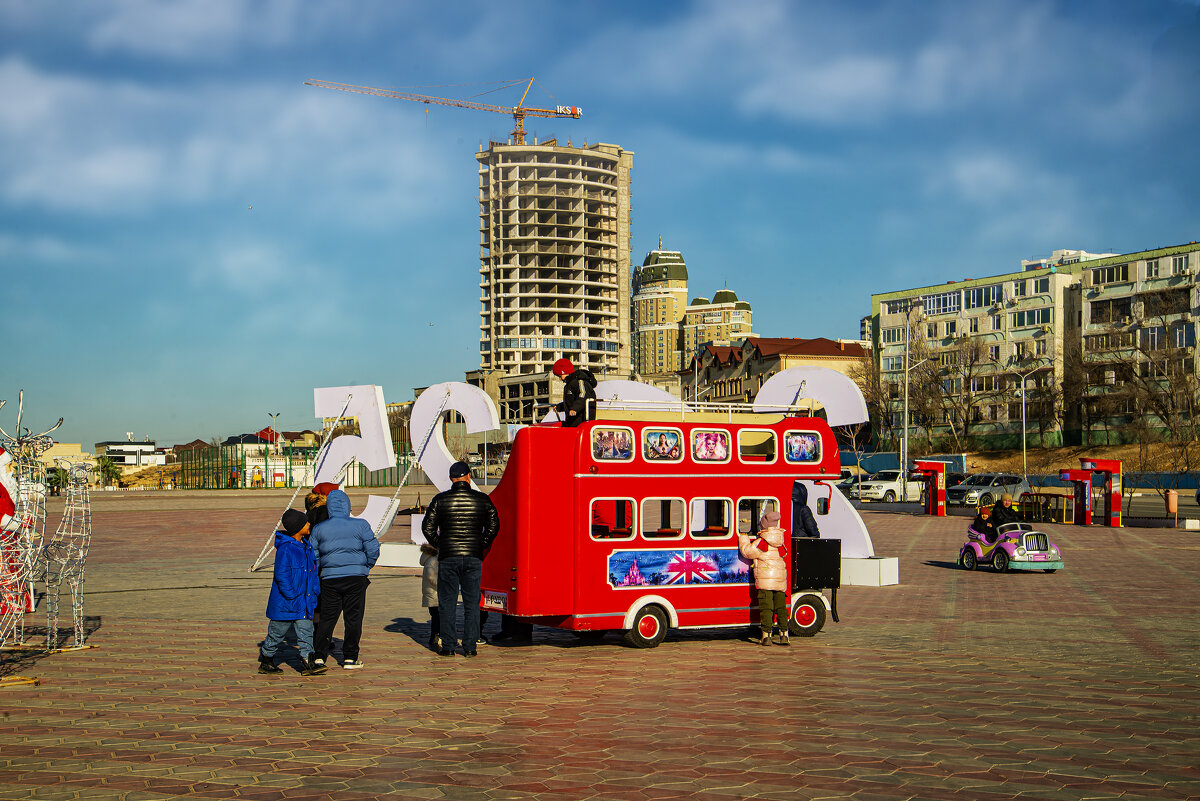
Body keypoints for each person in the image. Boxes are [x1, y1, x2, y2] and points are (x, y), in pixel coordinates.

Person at [422, 461, 500, 657]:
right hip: (473, 557)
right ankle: (470, 646)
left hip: (448, 557)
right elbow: (494, 524)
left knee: (446, 602)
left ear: (451, 479)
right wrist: (481, 543)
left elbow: (427, 527)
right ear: (468, 476)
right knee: (471, 603)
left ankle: (448, 646)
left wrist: (440, 544)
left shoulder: (440, 500)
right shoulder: (481, 499)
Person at [309, 489, 379, 670]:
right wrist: (366, 566)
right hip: (356, 577)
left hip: (330, 578)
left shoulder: (319, 528)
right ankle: (350, 657)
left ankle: (319, 656)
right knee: (353, 618)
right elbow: (373, 548)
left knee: (327, 618)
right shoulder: (361, 525)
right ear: (348, 506)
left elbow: (313, 555)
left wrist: (324, 567)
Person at [258, 510, 326, 676]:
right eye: (306, 523)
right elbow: (282, 575)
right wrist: (291, 594)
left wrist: (315, 590)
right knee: (277, 632)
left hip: (305, 600)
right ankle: (267, 658)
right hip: (286, 603)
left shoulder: (306, 546)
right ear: (297, 528)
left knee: (306, 631)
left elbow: (312, 571)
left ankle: (307, 660)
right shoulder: (286, 549)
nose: (309, 524)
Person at [738, 509, 790, 646]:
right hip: (780, 579)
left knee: (766, 608)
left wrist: (743, 538)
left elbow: (747, 552)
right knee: (781, 607)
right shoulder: (779, 539)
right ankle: (784, 634)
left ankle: (766, 636)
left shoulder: (763, 541)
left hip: (766, 579)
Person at [552, 358, 597, 428]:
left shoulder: (579, 381)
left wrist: (575, 408)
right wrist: (559, 407)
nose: (560, 379)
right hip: (572, 420)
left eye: (560, 376)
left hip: (582, 419)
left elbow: (583, 395)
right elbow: (570, 402)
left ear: (565, 372)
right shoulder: (568, 385)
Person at [419, 543, 441, 651]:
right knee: (437, 616)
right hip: (435, 594)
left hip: (432, 593)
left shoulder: (430, 557)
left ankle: (435, 635)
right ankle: (435, 636)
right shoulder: (433, 559)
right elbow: (432, 577)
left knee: (435, 616)